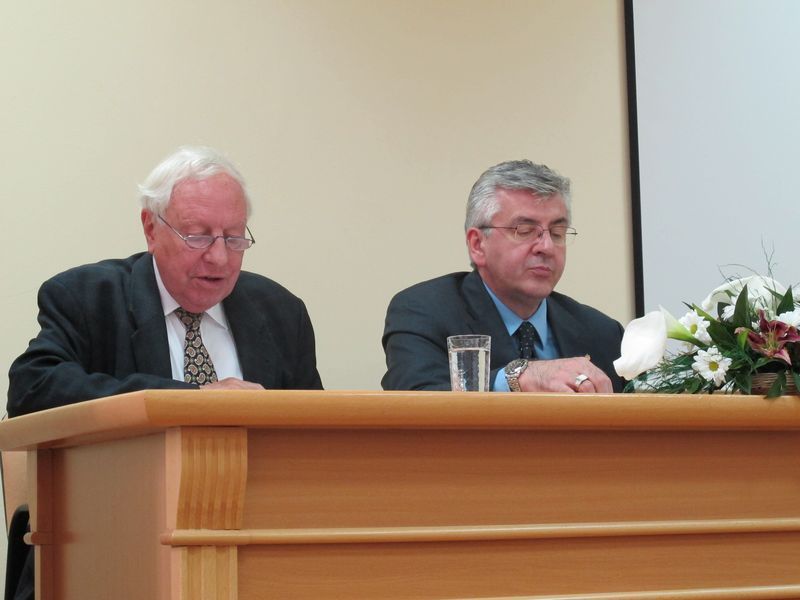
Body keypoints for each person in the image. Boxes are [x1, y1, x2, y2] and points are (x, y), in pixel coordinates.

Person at [7, 145, 322, 418]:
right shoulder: (89, 298)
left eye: (233, 237)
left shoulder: (281, 312)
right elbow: (31, 388)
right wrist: (193, 399)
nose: (219, 257)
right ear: (151, 229)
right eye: (197, 236)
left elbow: (316, 429)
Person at [381, 159, 624, 393]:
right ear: (477, 244)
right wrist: (518, 378)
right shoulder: (423, 312)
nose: (547, 247)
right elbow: (414, 401)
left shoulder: (602, 333)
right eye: (525, 231)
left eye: (557, 232)